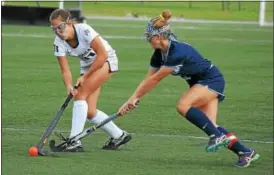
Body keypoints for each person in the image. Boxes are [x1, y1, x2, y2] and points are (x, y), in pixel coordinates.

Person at [118, 10, 260, 167]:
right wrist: (132, 99)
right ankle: (246, 152)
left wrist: (135, 98)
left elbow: (156, 79)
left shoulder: (176, 52)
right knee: (212, 125)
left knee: (183, 105)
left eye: (148, 35)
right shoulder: (159, 54)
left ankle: (217, 136)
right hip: (199, 83)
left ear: (158, 37)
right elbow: (148, 78)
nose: (147, 39)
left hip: (211, 80)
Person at [49, 9, 132, 152]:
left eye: (60, 27)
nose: (58, 32)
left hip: (107, 60)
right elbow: (65, 70)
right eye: (54, 29)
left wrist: (85, 77)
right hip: (88, 66)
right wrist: (69, 85)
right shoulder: (59, 43)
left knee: (80, 95)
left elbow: (102, 55)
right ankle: (119, 135)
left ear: (69, 22)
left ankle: (74, 140)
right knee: (90, 112)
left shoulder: (84, 30)